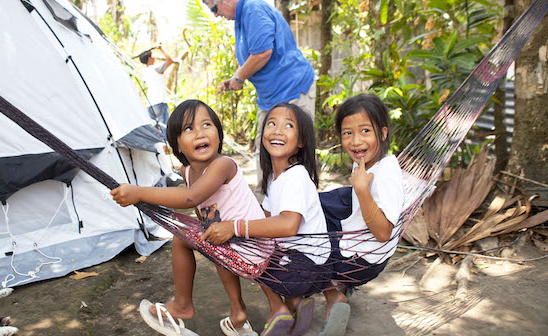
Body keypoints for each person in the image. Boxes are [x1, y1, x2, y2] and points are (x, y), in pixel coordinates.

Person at [111, 99, 271, 336]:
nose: (199, 133)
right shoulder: (187, 172)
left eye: (206, 125)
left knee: (182, 238)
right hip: (232, 245)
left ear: (219, 133)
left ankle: (183, 304)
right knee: (207, 234)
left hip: (253, 245)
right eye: (188, 129)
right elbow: (201, 211)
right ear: (177, 145)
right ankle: (237, 310)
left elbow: (190, 198)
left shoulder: (223, 165)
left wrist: (138, 192)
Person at [201, 103, 328, 336]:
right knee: (249, 237)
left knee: (237, 246)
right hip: (304, 265)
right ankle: (295, 302)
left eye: (288, 126)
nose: (277, 130)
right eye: (272, 124)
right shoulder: (275, 177)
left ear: (301, 142)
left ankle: (279, 307)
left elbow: (288, 225)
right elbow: (265, 217)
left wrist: (235, 227)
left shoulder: (296, 176)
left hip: (303, 267)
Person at [202, 0, 316, 187]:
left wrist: (239, 79)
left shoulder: (252, 9)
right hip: (270, 96)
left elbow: (263, 52)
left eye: (214, 8)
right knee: (265, 148)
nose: (215, 15)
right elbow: (252, 55)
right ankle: (268, 201)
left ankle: (297, 203)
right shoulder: (241, 18)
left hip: (292, 88)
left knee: (295, 149)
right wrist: (235, 78)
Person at [318, 93, 404, 336]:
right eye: (348, 133)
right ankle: (337, 290)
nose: (356, 141)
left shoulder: (386, 175)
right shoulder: (371, 162)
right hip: (361, 241)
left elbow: (383, 233)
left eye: (365, 131)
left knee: (299, 241)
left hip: (361, 258)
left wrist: (362, 189)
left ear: (383, 133)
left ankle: (334, 295)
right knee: (315, 203)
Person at [139, 45, 174, 129]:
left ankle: (157, 142)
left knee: (154, 129)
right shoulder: (156, 68)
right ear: (149, 59)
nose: (154, 57)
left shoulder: (144, 71)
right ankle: (166, 142)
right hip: (160, 102)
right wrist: (161, 49)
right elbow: (170, 60)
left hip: (150, 104)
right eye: (152, 56)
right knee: (164, 126)